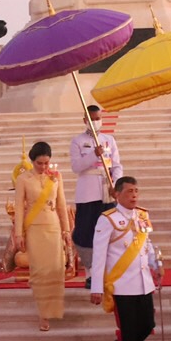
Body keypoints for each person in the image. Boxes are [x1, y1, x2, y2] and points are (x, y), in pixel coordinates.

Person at [89, 176, 162, 341]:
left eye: (136, 191)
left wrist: (156, 264)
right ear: (117, 194)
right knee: (128, 333)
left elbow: (146, 244)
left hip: (143, 282)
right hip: (121, 285)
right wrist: (96, 287)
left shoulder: (142, 215)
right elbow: (99, 254)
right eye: (129, 191)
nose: (134, 195)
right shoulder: (107, 219)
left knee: (147, 324)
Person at [14, 141, 71, 331]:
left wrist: (66, 230)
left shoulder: (56, 177)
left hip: (53, 226)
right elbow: (19, 208)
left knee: (55, 270)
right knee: (39, 272)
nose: (44, 167)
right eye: (40, 163)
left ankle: (54, 309)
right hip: (34, 228)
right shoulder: (23, 179)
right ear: (32, 161)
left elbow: (62, 204)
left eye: (47, 163)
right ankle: (43, 314)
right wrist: (18, 233)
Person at [70, 105, 122, 277]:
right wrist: (93, 155)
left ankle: (108, 270)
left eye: (98, 118)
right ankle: (90, 272)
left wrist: (116, 184)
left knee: (108, 230)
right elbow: (76, 166)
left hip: (107, 192)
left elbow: (116, 165)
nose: (95, 122)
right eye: (92, 119)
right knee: (86, 232)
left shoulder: (109, 139)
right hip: (87, 193)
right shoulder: (77, 141)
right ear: (85, 120)